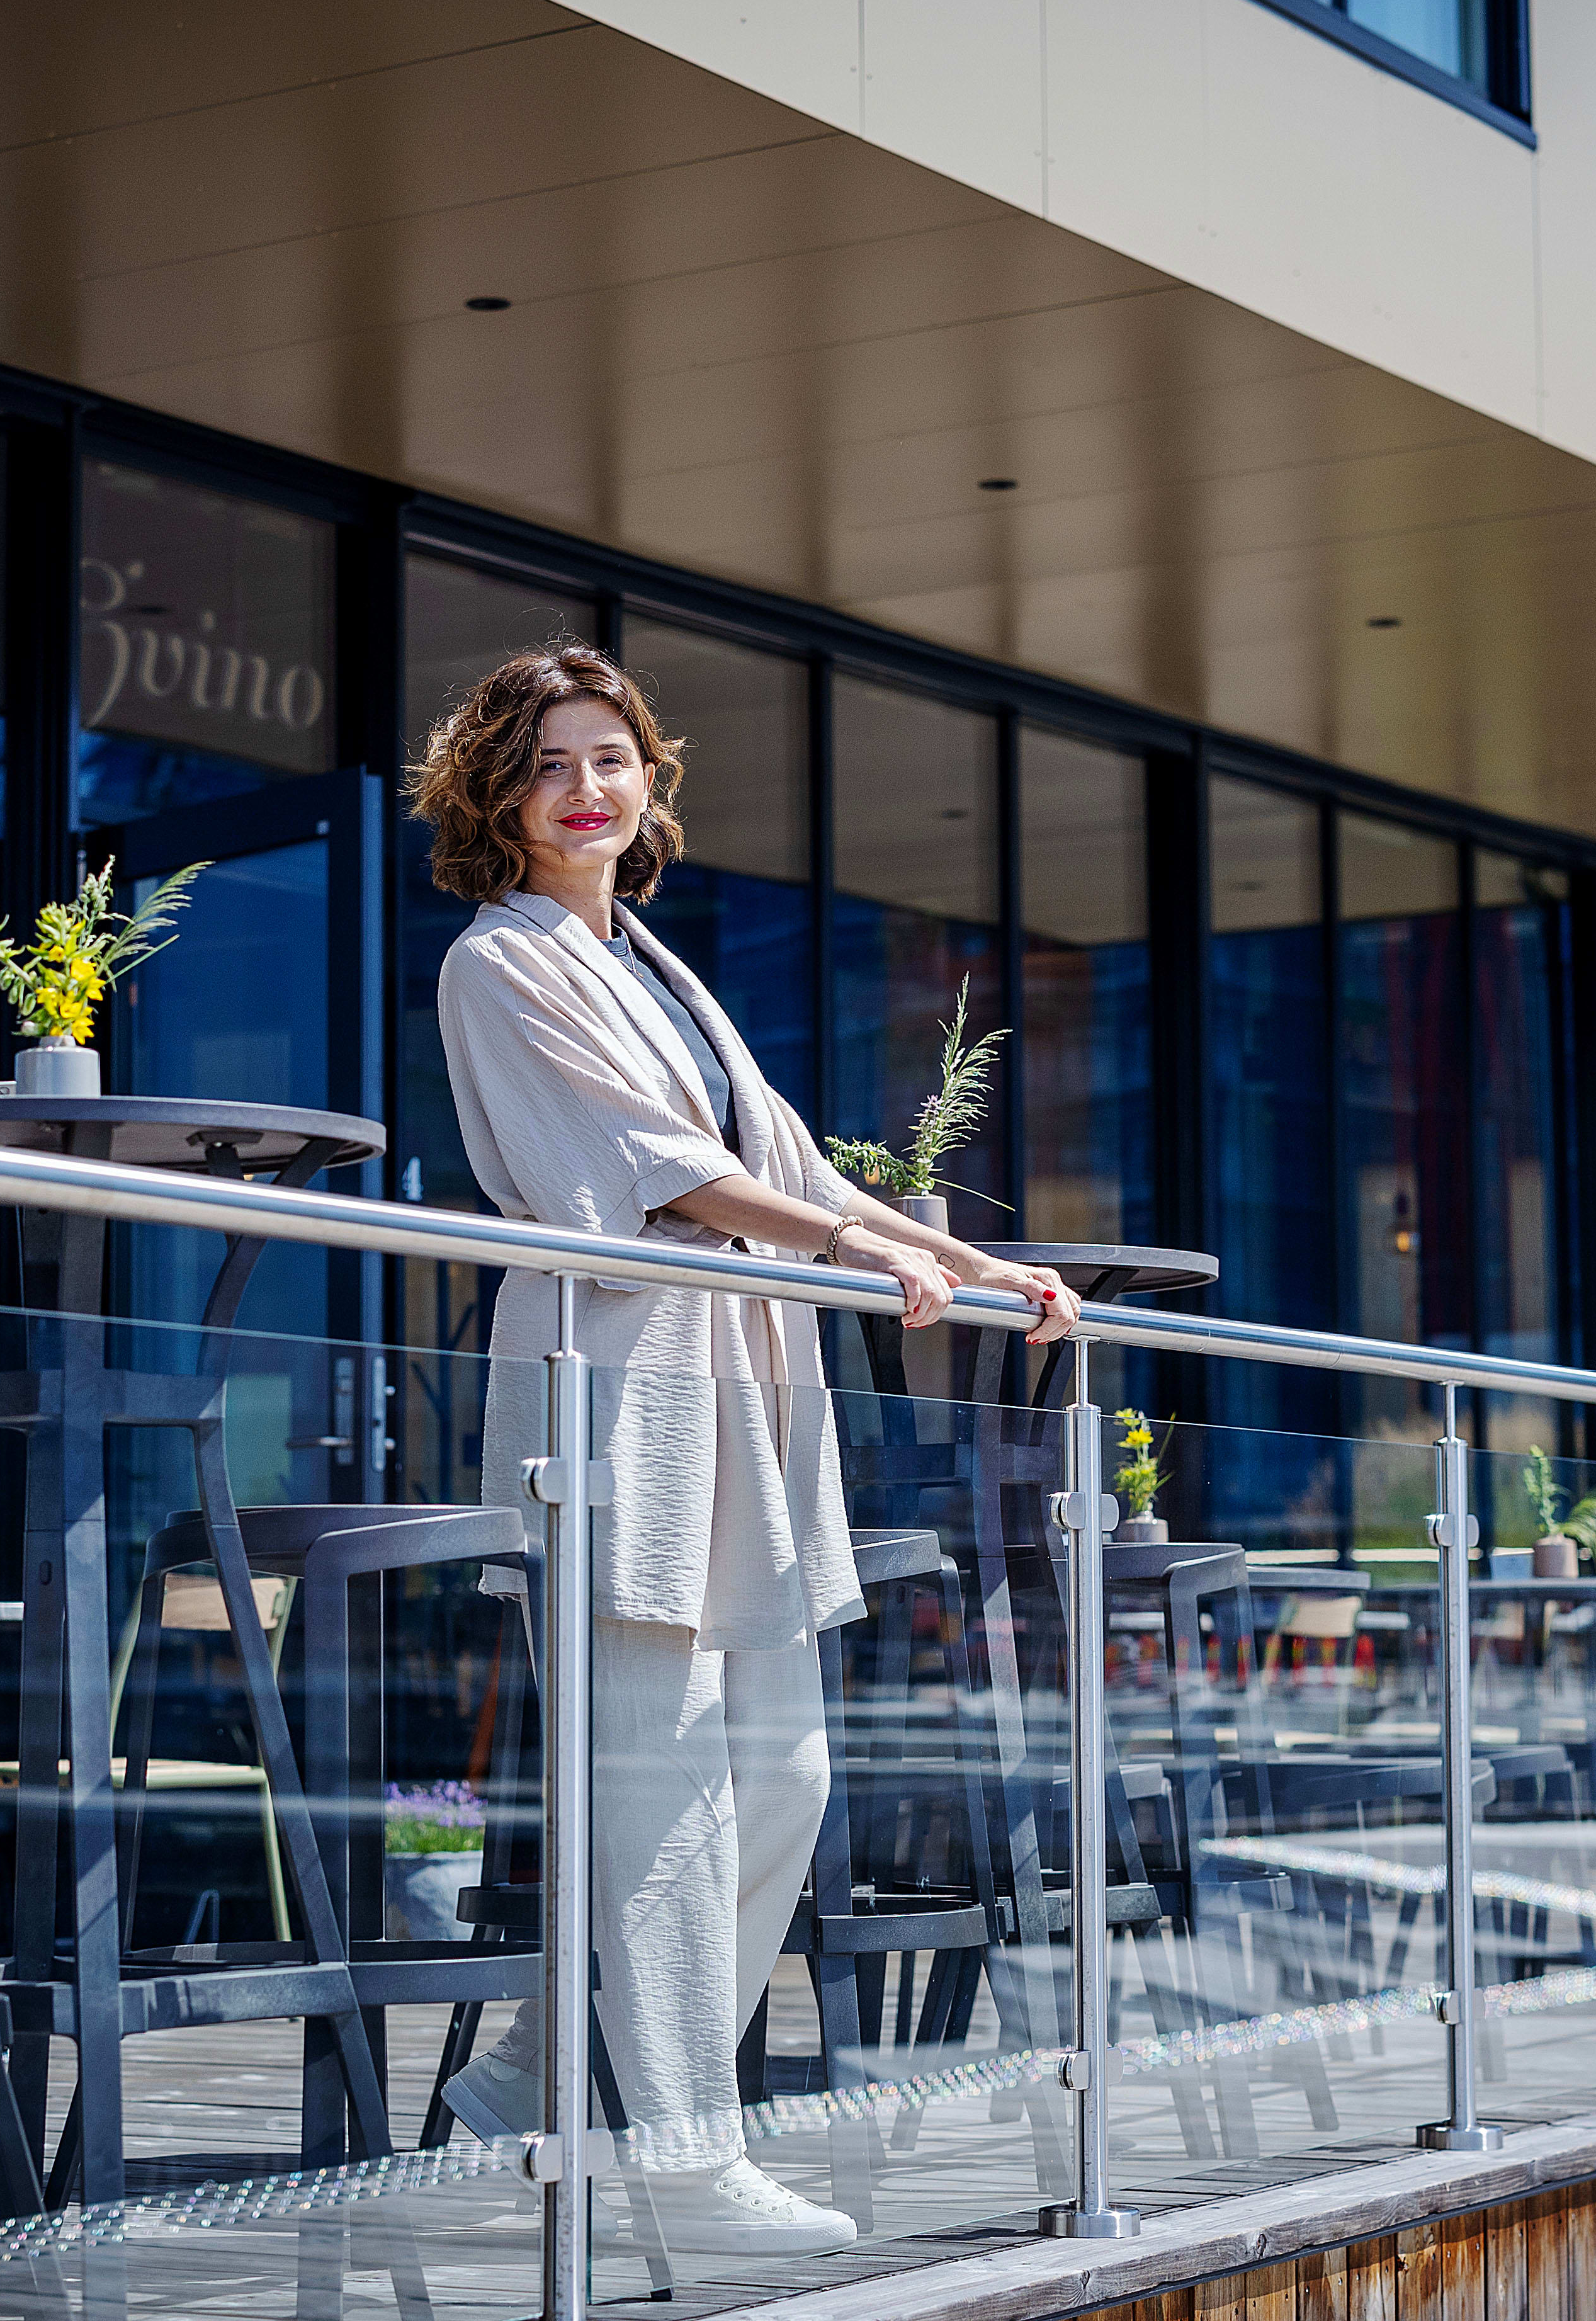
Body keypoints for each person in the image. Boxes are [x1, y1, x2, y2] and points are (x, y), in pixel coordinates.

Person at [409, 642, 1077, 2254]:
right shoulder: (499, 962)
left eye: (609, 757)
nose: (584, 787)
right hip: (618, 1390)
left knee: (782, 1773)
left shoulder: (653, 965)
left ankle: (533, 2073)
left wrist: (979, 1263)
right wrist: (850, 1253)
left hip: (737, 1395)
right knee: (663, 1790)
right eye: (547, 763)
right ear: (497, 796)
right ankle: (688, 2163)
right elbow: (650, 1166)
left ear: (650, 782)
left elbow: (788, 1166)